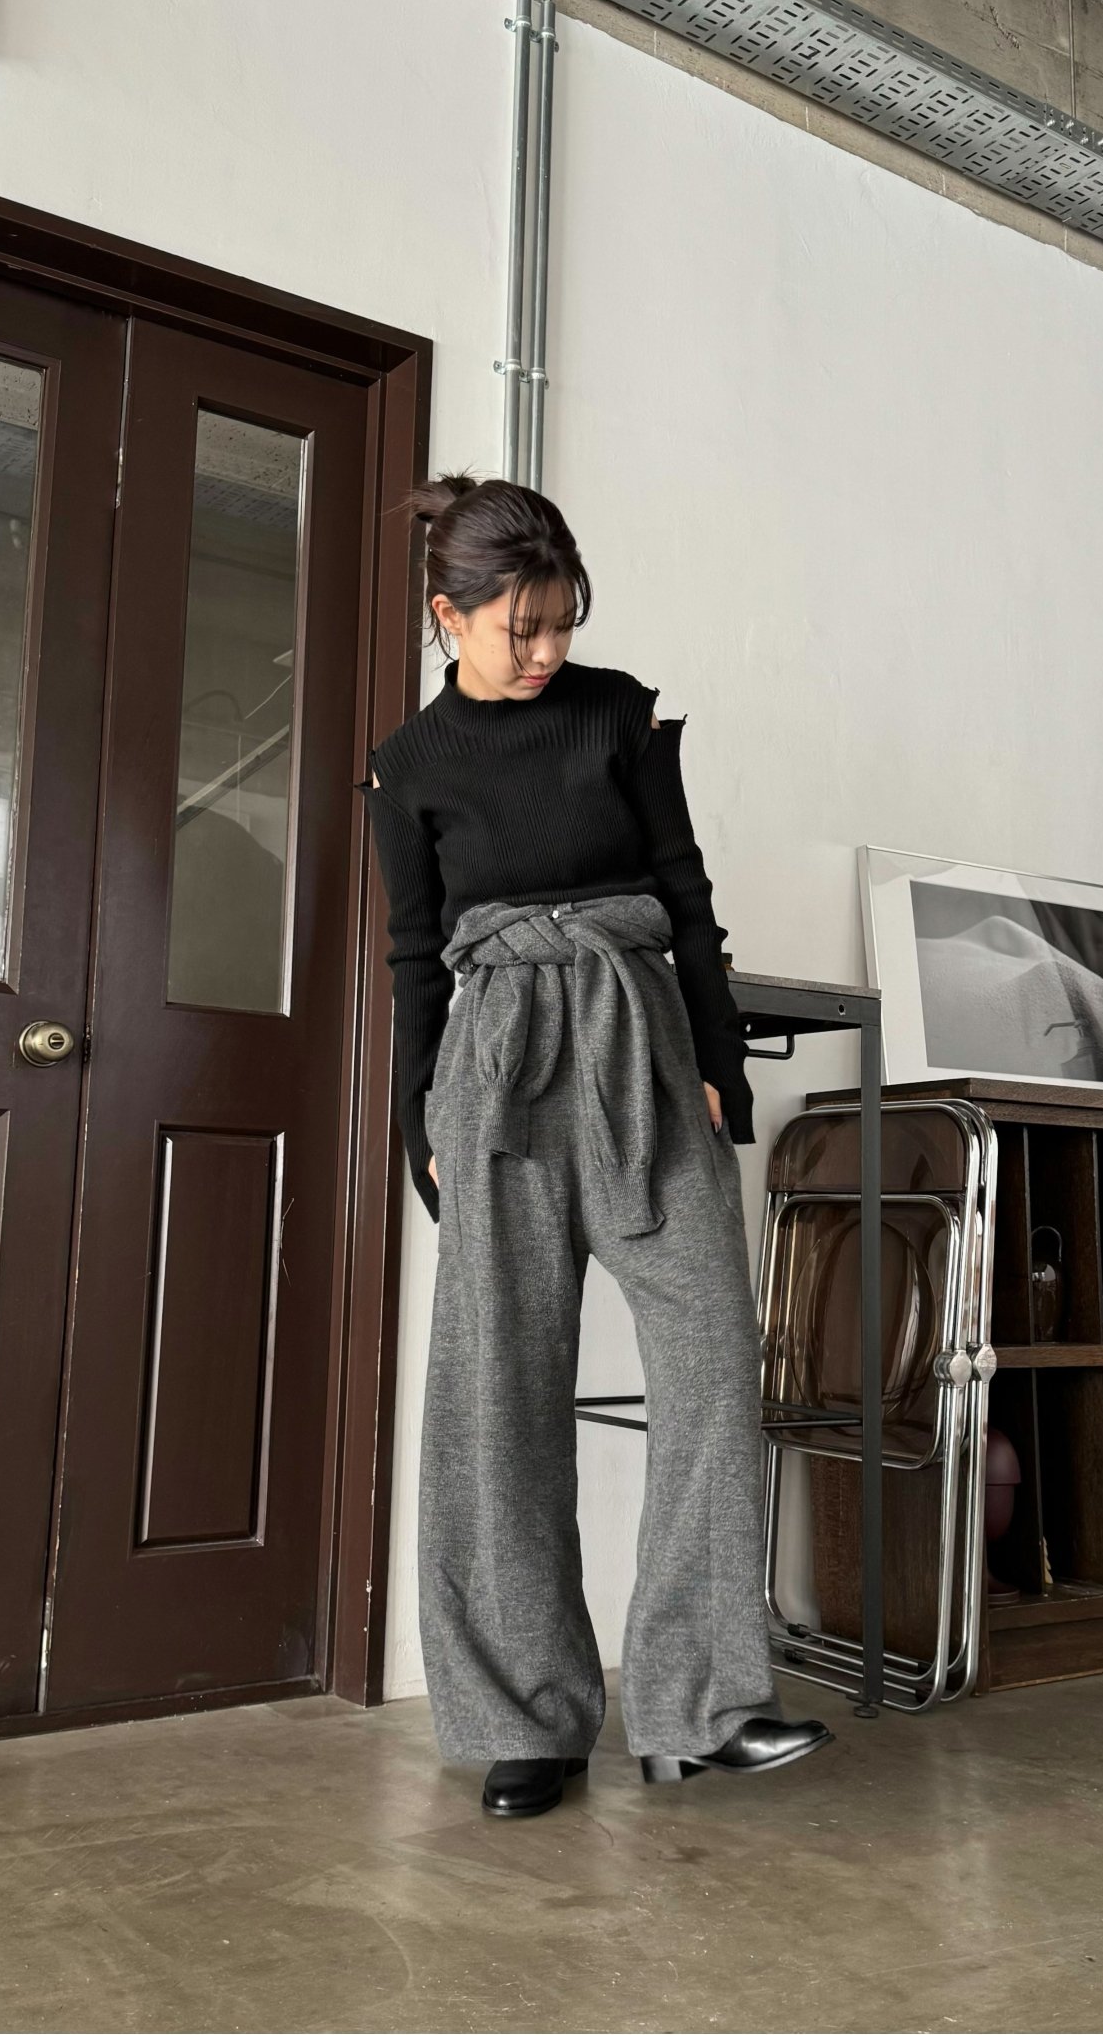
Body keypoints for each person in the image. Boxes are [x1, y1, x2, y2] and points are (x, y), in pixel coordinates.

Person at [353, 474, 831, 1820]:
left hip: (639, 1042)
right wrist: (416, 1119)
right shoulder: (407, 765)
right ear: (448, 615)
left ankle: (698, 1706)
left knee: (711, 1358)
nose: (548, 649)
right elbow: (412, 954)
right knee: (496, 1396)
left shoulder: (620, 714)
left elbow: (685, 892)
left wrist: (721, 1063)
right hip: (495, 1067)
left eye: (564, 620)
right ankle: (527, 1718)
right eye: (523, 627)